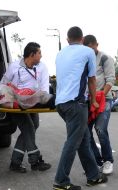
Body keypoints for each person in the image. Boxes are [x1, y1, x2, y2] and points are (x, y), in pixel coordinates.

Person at [53, 26, 108, 190]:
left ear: (68, 39)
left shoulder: (60, 53)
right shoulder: (87, 52)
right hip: (76, 103)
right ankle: (61, 181)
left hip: (61, 104)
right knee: (73, 142)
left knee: (83, 139)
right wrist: (94, 101)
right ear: (82, 39)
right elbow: (92, 79)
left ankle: (93, 176)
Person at [0, 42, 51, 173]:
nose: (41, 55)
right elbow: (3, 84)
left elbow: (44, 86)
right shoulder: (14, 67)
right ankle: (35, 160)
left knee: (32, 127)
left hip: (34, 101)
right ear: (32, 54)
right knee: (28, 128)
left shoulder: (42, 67)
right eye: (39, 53)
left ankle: (15, 162)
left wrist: (44, 99)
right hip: (17, 103)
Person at [83, 34, 115, 174]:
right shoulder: (83, 59)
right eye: (87, 48)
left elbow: (110, 79)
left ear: (96, 45)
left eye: (92, 47)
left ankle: (108, 161)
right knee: (85, 131)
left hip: (104, 99)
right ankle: (97, 161)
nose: (90, 50)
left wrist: (100, 94)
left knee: (100, 129)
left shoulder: (105, 58)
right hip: (88, 100)